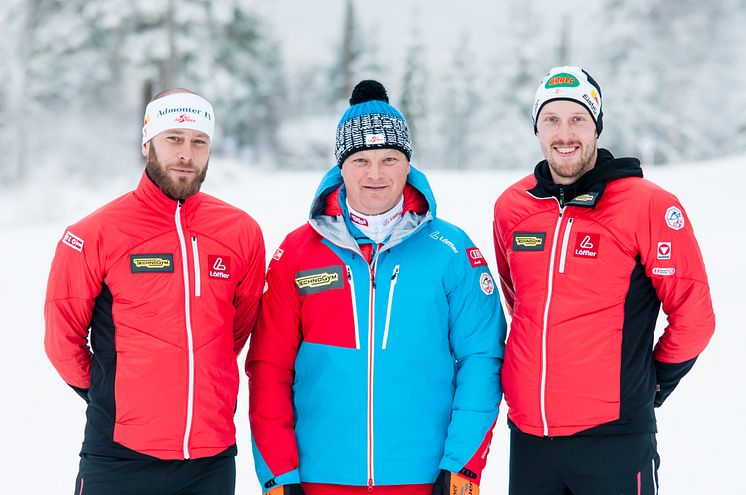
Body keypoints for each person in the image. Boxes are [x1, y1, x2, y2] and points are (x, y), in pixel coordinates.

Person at [247, 80, 506, 495]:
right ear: (340, 166)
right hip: (319, 479)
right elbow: (269, 369)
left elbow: (481, 359)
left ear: (408, 165)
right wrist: (279, 471)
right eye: (361, 160)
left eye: (389, 159)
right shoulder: (298, 253)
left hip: (425, 478)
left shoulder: (452, 250)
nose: (375, 174)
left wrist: (464, 463)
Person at [493, 66, 716, 494]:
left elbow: (694, 316)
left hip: (614, 438)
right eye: (551, 120)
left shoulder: (647, 205)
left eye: (578, 118)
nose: (565, 133)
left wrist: (650, 384)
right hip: (530, 436)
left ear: (596, 125)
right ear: (536, 128)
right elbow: (520, 303)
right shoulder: (512, 207)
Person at [44, 88, 266, 495]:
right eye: (174, 139)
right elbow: (63, 341)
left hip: (210, 457)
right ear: (148, 141)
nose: (186, 153)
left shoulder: (242, 233)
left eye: (199, 141)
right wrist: (112, 392)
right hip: (119, 455)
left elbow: (234, 331)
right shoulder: (94, 234)